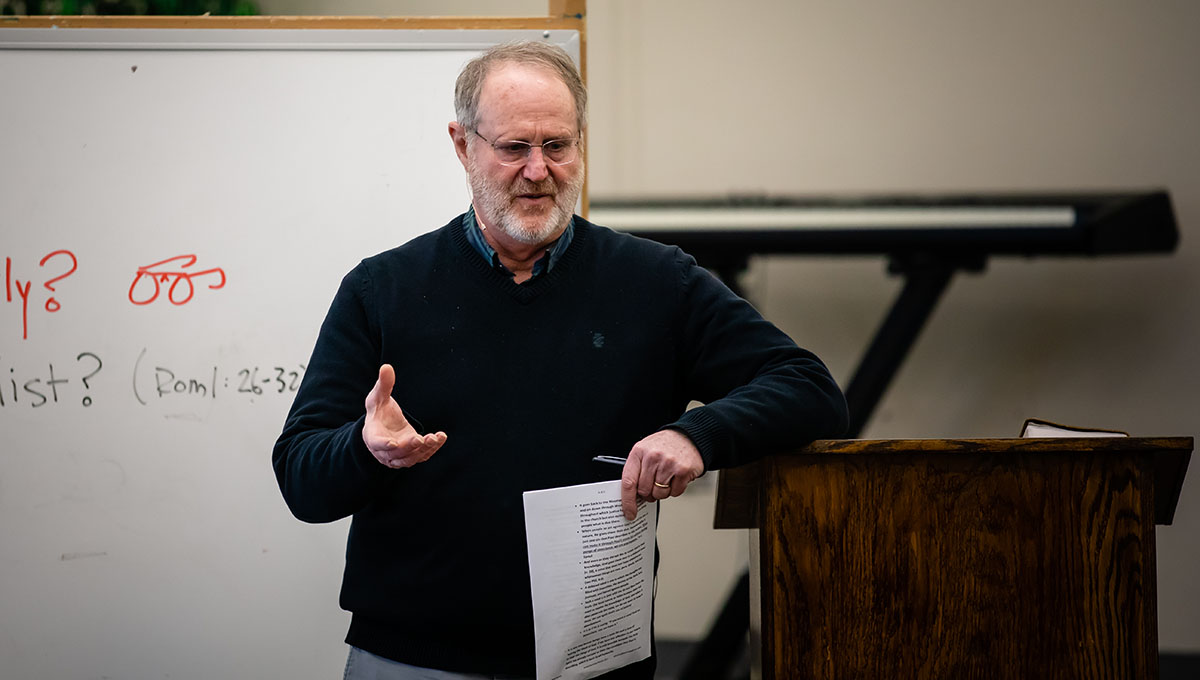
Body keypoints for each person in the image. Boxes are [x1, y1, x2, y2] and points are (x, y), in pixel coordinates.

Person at [272, 40, 847, 680]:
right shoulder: (383, 290)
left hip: (595, 661)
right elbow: (300, 477)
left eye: (558, 145)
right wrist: (363, 448)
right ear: (463, 146)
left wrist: (698, 435)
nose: (538, 170)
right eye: (515, 147)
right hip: (413, 659)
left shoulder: (658, 283)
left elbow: (810, 388)